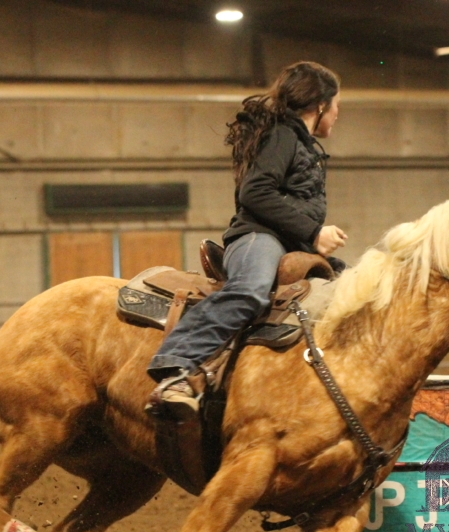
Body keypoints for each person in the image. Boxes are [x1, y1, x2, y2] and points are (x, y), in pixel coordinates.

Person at [146, 61, 347, 418]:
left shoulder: (302, 145)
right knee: (251, 290)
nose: (337, 113)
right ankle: (176, 365)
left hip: (290, 243)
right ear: (320, 105)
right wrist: (315, 232)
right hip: (258, 237)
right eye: (336, 105)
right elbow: (255, 192)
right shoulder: (283, 136)